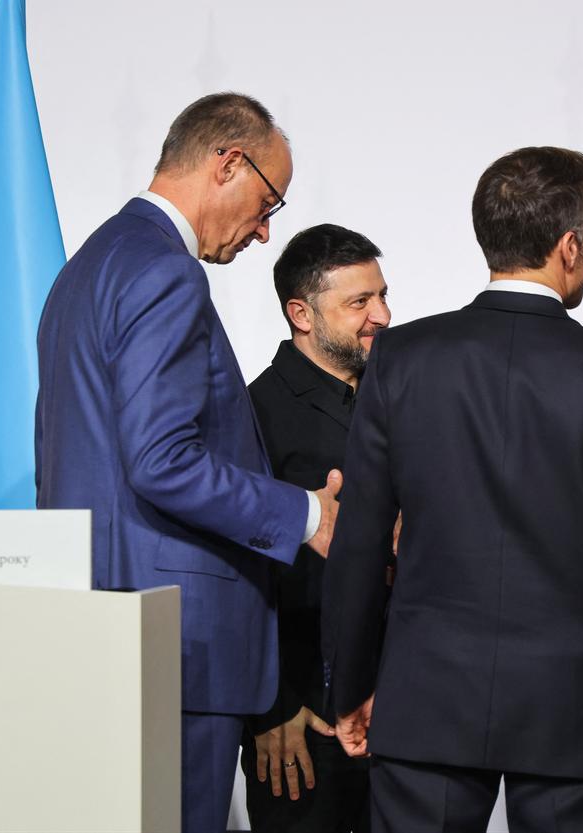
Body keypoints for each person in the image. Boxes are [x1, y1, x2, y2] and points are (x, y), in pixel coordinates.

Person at [321, 146, 583, 832]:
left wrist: (351, 686)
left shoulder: (401, 358)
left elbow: (358, 540)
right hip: (572, 711)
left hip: (426, 702)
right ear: (568, 245)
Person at [35, 92, 340, 833]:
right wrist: (305, 513)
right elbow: (162, 460)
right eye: (269, 201)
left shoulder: (86, 267)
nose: (267, 231)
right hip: (178, 644)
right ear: (228, 162)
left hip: (101, 623)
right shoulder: (166, 273)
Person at [243, 223, 391, 833]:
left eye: (382, 295)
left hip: (407, 713)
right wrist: (271, 708)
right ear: (301, 313)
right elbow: (235, 573)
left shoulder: (406, 396)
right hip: (304, 726)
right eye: (359, 302)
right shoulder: (251, 414)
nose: (381, 315)